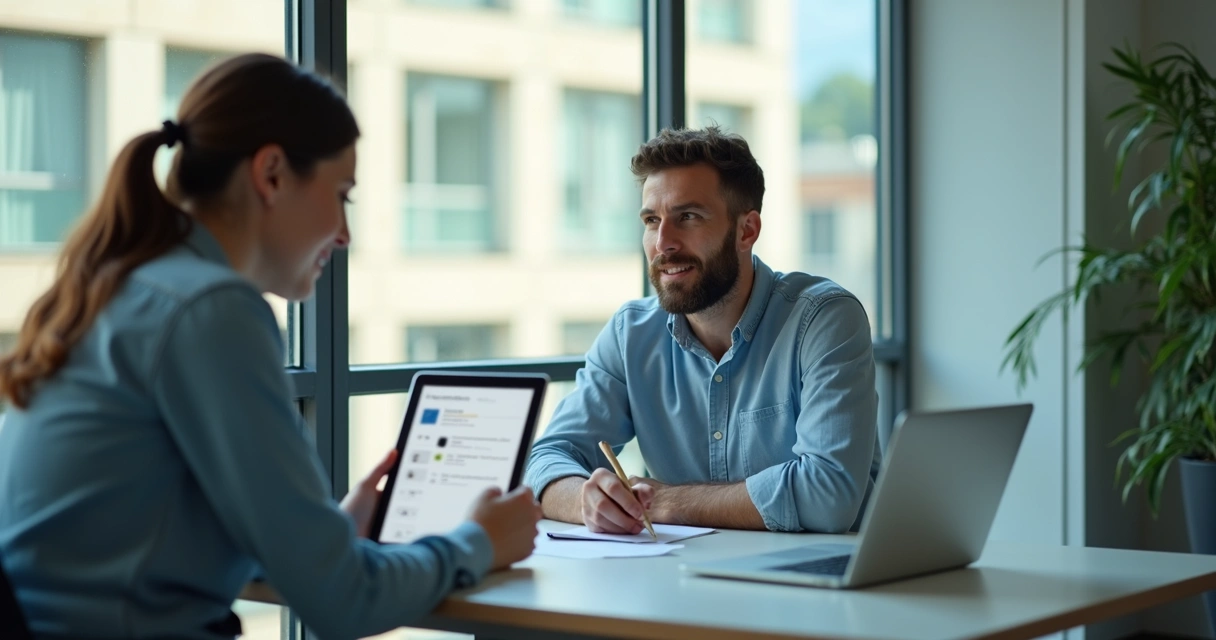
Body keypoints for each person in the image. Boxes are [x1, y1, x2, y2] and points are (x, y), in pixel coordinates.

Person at [0, 53, 541, 640]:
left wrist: (324, 537)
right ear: (272, 174)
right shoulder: (210, 309)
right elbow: (345, 604)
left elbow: (133, 539)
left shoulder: (124, 287)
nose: (345, 232)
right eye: (342, 194)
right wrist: (476, 543)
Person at [524, 126, 880, 535]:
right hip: (684, 580)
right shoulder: (631, 333)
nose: (663, 243)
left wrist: (667, 502)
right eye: (651, 220)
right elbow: (548, 459)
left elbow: (828, 497)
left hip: (820, 584)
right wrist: (586, 499)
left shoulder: (823, 319)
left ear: (746, 230)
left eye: (688, 217)